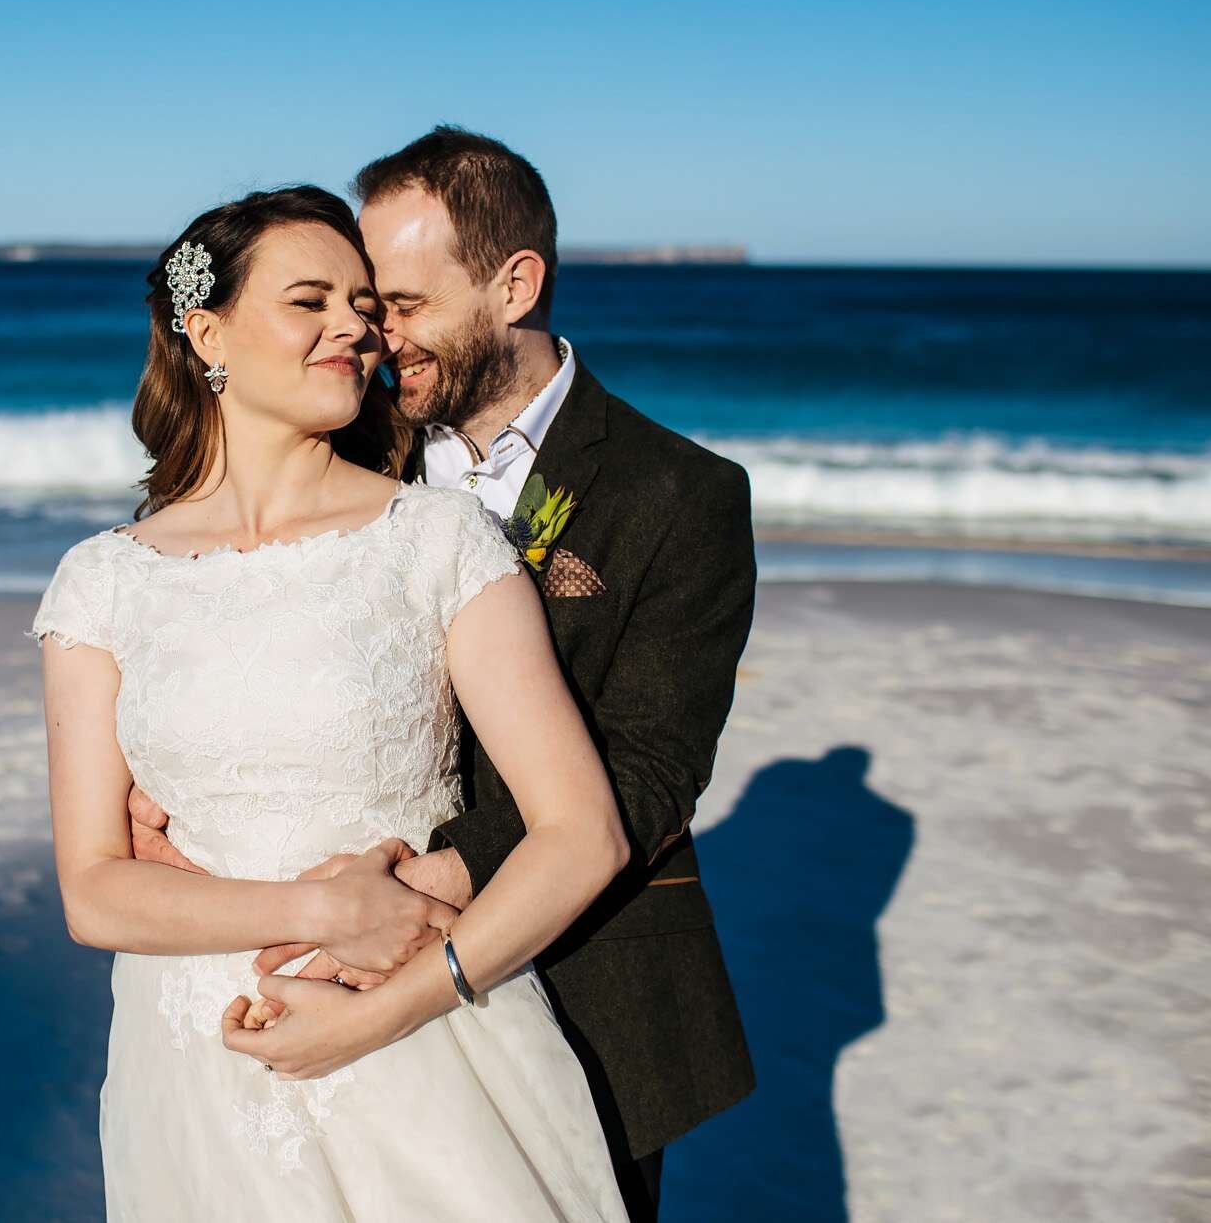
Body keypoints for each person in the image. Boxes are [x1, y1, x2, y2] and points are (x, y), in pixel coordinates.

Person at [129, 128, 758, 1222]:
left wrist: (425, 881)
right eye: (369, 306)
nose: (376, 336)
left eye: (404, 305)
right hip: (317, 955)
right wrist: (164, 771)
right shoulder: (347, 441)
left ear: (514, 285)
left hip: (583, 975)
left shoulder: (676, 495)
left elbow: (649, 770)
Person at [33, 184, 633, 1219]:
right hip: (194, 1062)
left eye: (362, 304)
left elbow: (582, 835)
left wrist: (391, 999)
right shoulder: (102, 581)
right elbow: (93, 889)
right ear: (206, 332)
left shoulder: (434, 540)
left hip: (420, 1039)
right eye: (308, 301)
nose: (353, 328)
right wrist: (319, 906)